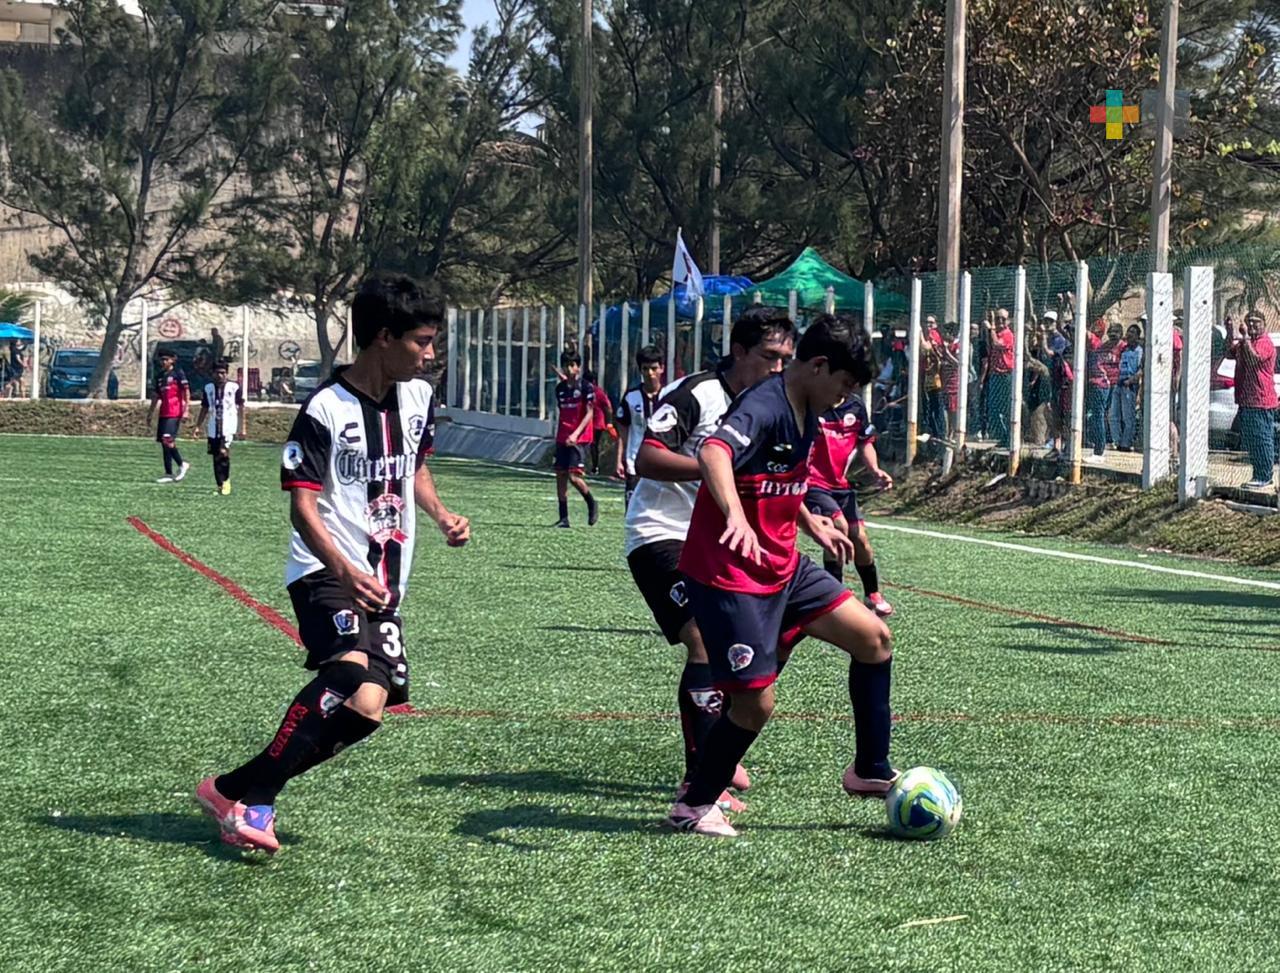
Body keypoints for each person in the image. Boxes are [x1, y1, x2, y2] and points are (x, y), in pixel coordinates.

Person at [195, 274, 469, 853]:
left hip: (385, 582)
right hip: (325, 571)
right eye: (421, 341)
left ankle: (230, 790)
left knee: (368, 709)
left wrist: (441, 514)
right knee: (345, 673)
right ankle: (258, 804)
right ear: (384, 338)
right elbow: (302, 504)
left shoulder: (419, 398)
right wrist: (343, 569)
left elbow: (413, 465)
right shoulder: (324, 407)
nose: (429, 353)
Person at [667, 314, 896, 838]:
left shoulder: (808, 406)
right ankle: (694, 803)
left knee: (874, 638)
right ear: (818, 366)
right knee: (755, 704)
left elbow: (779, 478)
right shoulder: (766, 405)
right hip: (729, 574)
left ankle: (869, 769)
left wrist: (809, 521)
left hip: (783, 567)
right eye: (844, 384)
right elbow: (714, 451)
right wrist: (734, 516)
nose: (844, 399)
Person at [626, 310, 796, 812]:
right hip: (662, 535)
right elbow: (647, 458)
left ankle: (722, 741)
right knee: (701, 636)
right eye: (769, 356)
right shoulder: (697, 393)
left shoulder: (774, 404)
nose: (778, 367)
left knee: (771, 635)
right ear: (739, 352)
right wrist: (710, 466)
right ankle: (700, 777)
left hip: (725, 540)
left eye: (786, 358)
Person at [805, 326, 895, 618]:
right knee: (839, 529)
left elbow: (865, 442)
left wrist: (875, 470)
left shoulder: (856, 408)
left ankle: (872, 594)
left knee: (862, 541)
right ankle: (833, 597)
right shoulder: (813, 405)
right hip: (814, 484)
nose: (849, 387)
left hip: (841, 485)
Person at [1227, 310, 1277, 490]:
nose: (1253, 325)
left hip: (1261, 399)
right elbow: (1229, 353)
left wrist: (1245, 338)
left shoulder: (1265, 343)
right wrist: (1230, 331)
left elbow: (1254, 358)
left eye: (1256, 322)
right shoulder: (1245, 342)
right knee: (1252, 439)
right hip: (1246, 399)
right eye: (1249, 322)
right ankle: (1258, 473)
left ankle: (1264, 475)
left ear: (1264, 324)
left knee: (1262, 438)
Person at [614, 345, 665, 508]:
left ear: (662, 368)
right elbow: (623, 429)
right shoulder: (631, 397)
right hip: (635, 464)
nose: (650, 373)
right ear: (640, 370)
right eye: (645, 369)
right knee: (632, 513)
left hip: (662, 465)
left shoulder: (671, 396)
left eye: (654, 368)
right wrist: (619, 460)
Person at [553, 351, 599, 527]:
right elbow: (563, 412)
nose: (570, 368)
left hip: (579, 438)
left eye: (573, 365)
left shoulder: (586, 387)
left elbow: (589, 413)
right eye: (567, 365)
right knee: (560, 475)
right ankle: (563, 518)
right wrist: (564, 434)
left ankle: (591, 502)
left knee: (573, 476)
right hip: (562, 437)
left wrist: (576, 434)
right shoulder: (560, 389)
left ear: (578, 367)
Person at [194, 359, 245, 495]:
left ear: (227, 373)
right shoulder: (208, 388)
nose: (220, 376)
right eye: (217, 373)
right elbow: (205, 408)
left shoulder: (234, 387)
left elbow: (240, 407)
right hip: (213, 426)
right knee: (216, 456)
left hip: (228, 425)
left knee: (223, 452)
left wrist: (242, 427)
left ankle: (226, 480)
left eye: (223, 373)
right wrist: (198, 426)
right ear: (212, 373)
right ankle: (219, 484)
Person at [147, 349, 191, 483]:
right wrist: (150, 413)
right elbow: (155, 396)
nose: (163, 362)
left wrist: (186, 409)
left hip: (174, 411)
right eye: (162, 360)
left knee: (168, 439)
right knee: (163, 443)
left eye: (166, 359)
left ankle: (182, 464)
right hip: (164, 412)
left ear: (173, 360)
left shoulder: (178, 374)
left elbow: (186, 392)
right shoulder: (160, 376)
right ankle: (168, 473)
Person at [985, 309, 1015, 446]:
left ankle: (1009, 437)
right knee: (993, 408)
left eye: (1003, 319)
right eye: (997, 319)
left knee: (1006, 407)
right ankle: (1002, 436)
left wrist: (991, 328)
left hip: (1005, 375)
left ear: (1008, 320)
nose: (1000, 321)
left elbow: (997, 344)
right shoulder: (995, 334)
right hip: (995, 374)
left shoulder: (1007, 334)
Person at [1084, 318, 1110, 461]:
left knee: (1098, 416)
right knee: (1094, 416)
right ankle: (1093, 444)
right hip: (1093, 383)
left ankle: (1099, 451)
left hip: (1099, 384)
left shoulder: (1096, 342)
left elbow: (1084, 332)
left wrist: (1077, 312)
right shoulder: (1091, 343)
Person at [1116, 324, 1144, 451]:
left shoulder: (1140, 351)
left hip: (1130, 386)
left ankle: (1126, 444)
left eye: (1132, 332)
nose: (1129, 334)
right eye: (1128, 331)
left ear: (1138, 336)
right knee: (1115, 415)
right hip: (1119, 384)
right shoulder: (1124, 350)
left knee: (1129, 417)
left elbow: (1141, 370)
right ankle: (1119, 441)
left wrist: (1131, 381)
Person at [584, 371, 615, 475]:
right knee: (584, 443)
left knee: (593, 444)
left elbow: (608, 407)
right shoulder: (583, 391)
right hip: (586, 422)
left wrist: (609, 423)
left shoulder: (599, 392)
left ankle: (595, 467)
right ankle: (583, 464)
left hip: (597, 423)